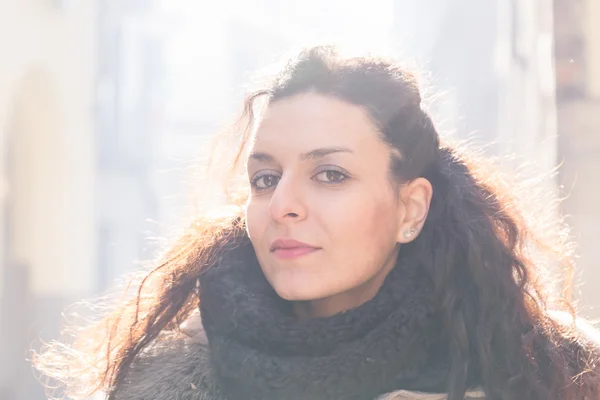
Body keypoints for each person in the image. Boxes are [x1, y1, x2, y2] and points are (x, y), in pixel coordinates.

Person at [34, 45, 600, 400]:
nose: (284, 204)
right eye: (264, 178)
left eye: (330, 175)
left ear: (411, 210)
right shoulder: (161, 381)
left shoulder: (552, 379)